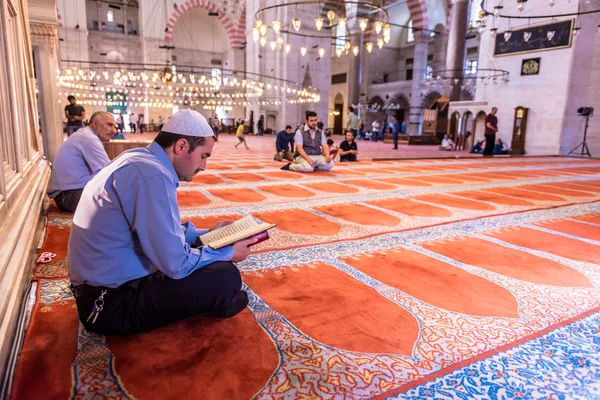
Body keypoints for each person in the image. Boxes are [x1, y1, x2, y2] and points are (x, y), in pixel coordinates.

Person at [68, 109, 256, 335]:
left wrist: (209, 235)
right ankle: (216, 300)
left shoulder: (139, 160)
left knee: (212, 262)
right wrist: (227, 253)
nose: (204, 166)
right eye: (204, 156)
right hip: (108, 303)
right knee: (225, 277)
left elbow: (163, 231)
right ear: (182, 147)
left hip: (102, 288)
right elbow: (176, 263)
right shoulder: (151, 175)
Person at [47, 112, 116, 213]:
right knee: (123, 203)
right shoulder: (88, 138)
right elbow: (109, 174)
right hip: (69, 196)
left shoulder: (86, 135)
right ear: (96, 123)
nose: (114, 131)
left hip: (68, 194)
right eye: (109, 125)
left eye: (115, 126)